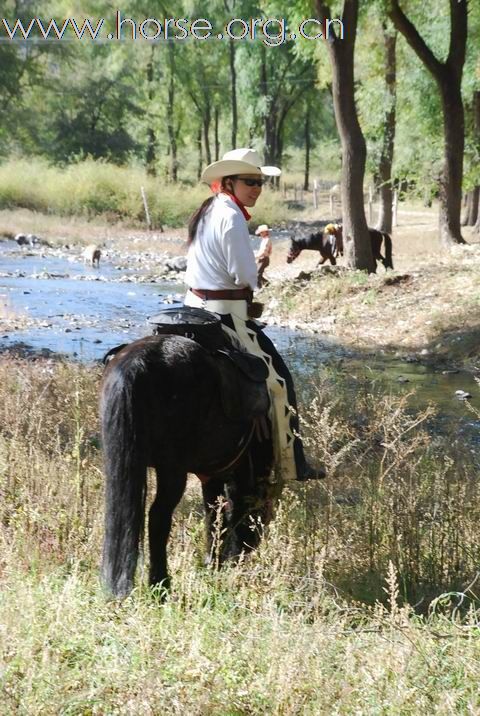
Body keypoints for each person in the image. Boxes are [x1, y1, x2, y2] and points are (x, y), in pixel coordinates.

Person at [184, 147, 324, 482]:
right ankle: (293, 465)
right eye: (250, 181)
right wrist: (256, 271)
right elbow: (245, 276)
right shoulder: (231, 215)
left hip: (190, 311)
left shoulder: (208, 210)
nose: (257, 187)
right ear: (229, 182)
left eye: (260, 181)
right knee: (281, 382)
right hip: (225, 316)